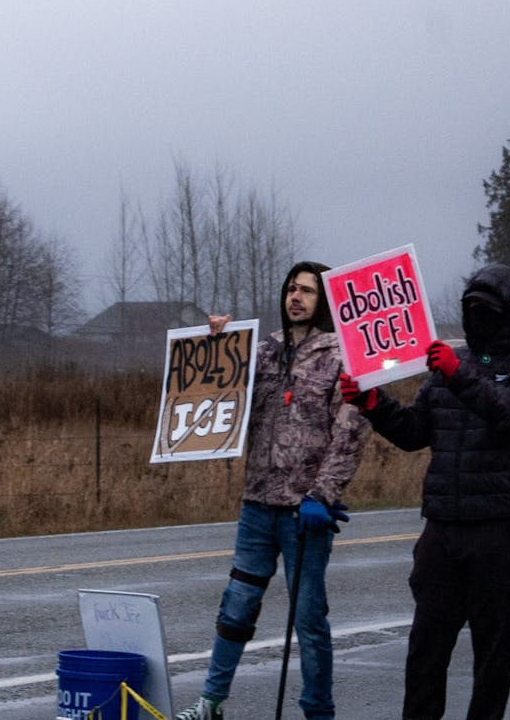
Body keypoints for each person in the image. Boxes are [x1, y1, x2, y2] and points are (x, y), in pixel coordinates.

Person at [339, 262, 510, 720]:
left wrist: (459, 374)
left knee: (492, 658)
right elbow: (416, 431)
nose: (479, 318)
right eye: (472, 308)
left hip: (502, 531)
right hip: (443, 530)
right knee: (425, 652)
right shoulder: (446, 367)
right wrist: (373, 403)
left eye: (488, 310)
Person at [176, 261, 369, 720]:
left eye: (306, 291)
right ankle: (211, 702)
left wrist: (323, 494)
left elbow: (350, 432)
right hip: (258, 504)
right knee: (236, 606)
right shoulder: (263, 352)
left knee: (308, 618)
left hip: (306, 513)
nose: (295, 298)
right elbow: (216, 390)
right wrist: (218, 342)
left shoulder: (340, 356)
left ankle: (317, 710)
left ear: (324, 301)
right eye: (290, 289)